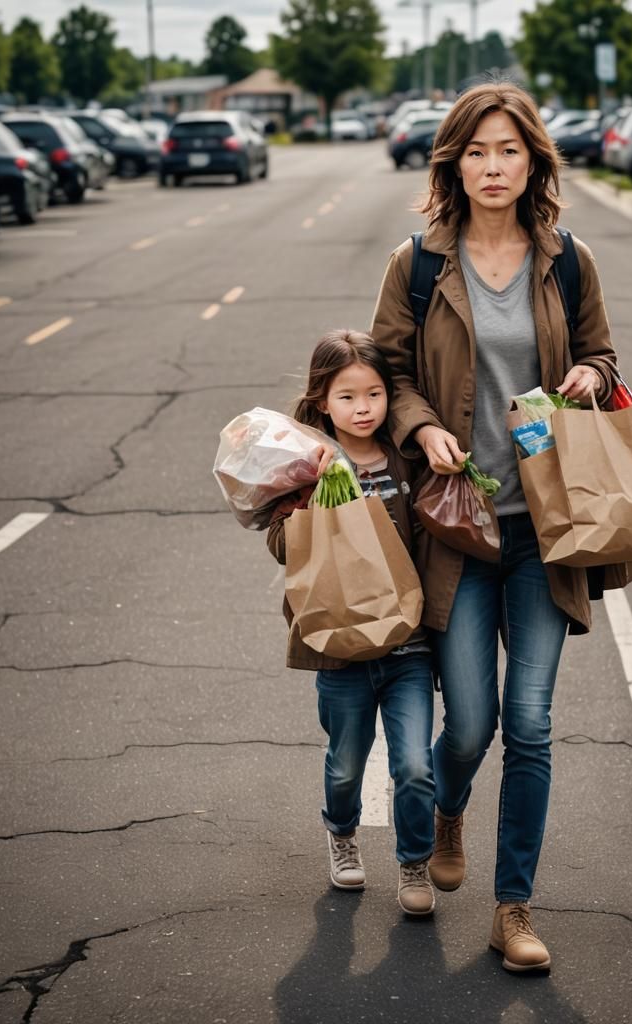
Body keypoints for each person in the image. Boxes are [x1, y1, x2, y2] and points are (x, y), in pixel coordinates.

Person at [370, 83, 632, 970]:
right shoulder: (418, 264)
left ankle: (514, 909)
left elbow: (603, 351)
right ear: (454, 162)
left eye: (510, 152)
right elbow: (387, 367)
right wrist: (419, 425)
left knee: (530, 723)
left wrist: (592, 380)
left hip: (542, 529)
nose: (494, 168)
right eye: (478, 152)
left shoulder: (568, 260)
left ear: (535, 162)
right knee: (470, 725)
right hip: (457, 528)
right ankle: (447, 810)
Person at [266, 329, 437, 917]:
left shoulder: (404, 461)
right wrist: (307, 499)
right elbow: (280, 546)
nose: (363, 408)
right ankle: (342, 832)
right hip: (339, 649)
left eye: (374, 394)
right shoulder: (305, 466)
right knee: (345, 763)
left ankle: (415, 860)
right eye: (346, 397)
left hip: (407, 644)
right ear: (321, 402)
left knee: (414, 764)